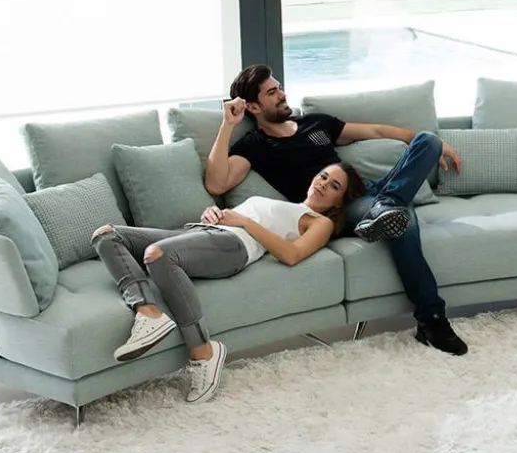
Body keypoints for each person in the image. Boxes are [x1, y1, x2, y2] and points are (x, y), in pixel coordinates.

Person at [206, 64, 470, 356]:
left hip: (371, 190)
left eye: (279, 87)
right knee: (402, 222)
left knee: (427, 140)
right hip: (341, 207)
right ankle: (432, 318)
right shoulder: (255, 145)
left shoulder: (315, 123)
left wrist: (437, 145)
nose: (282, 94)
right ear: (254, 106)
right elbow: (217, 183)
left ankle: (388, 205)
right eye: (272, 92)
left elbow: (376, 130)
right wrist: (227, 125)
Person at [91, 162, 366, 405]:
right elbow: (231, 220)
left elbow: (292, 255)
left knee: (157, 255)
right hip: (203, 231)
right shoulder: (287, 205)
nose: (323, 184)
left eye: (334, 186)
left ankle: (204, 351)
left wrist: (243, 221)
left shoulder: (320, 222)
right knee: (106, 235)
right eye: (323, 176)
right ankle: (147, 311)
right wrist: (214, 214)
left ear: (338, 203)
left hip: (234, 246)